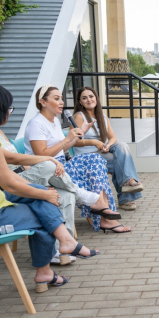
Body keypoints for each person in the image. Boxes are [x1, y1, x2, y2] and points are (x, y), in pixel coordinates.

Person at [0, 84, 101, 292]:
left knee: (39, 199)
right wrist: (45, 193)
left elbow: (11, 157)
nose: (9, 113)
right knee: (43, 213)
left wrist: (46, 159)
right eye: (8, 109)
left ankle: (63, 246)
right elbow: (9, 183)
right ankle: (52, 261)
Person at [25, 85, 131, 233]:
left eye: (61, 98)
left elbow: (64, 148)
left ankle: (103, 210)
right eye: (56, 99)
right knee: (91, 170)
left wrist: (79, 135)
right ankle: (104, 213)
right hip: (46, 168)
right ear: (43, 102)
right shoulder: (36, 124)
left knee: (96, 160)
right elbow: (41, 155)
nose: (61, 102)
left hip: (61, 162)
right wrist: (67, 139)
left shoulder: (54, 121)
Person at [0, 127, 111, 247]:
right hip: (7, 185)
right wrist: (37, 188)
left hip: (24, 174)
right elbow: (11, 162)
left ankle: (62, 248)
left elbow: (19, 160)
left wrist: (42, 185)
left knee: (67, 195)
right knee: (50, 166)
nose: (7, 113)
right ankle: (83, 196)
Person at [73, 87, 144, 211]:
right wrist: (93, 142)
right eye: (84, 98)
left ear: (96, 98)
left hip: (100, 153)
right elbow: (73, 141)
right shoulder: (79, 116)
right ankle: (127, 193)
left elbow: (112, 137)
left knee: (122, 146)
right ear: (80, 102)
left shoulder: (102, 116)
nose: (89, 100)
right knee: (119, 161)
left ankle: (128, 182)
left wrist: (107, 145)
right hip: (86, 156)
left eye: (91, 96)